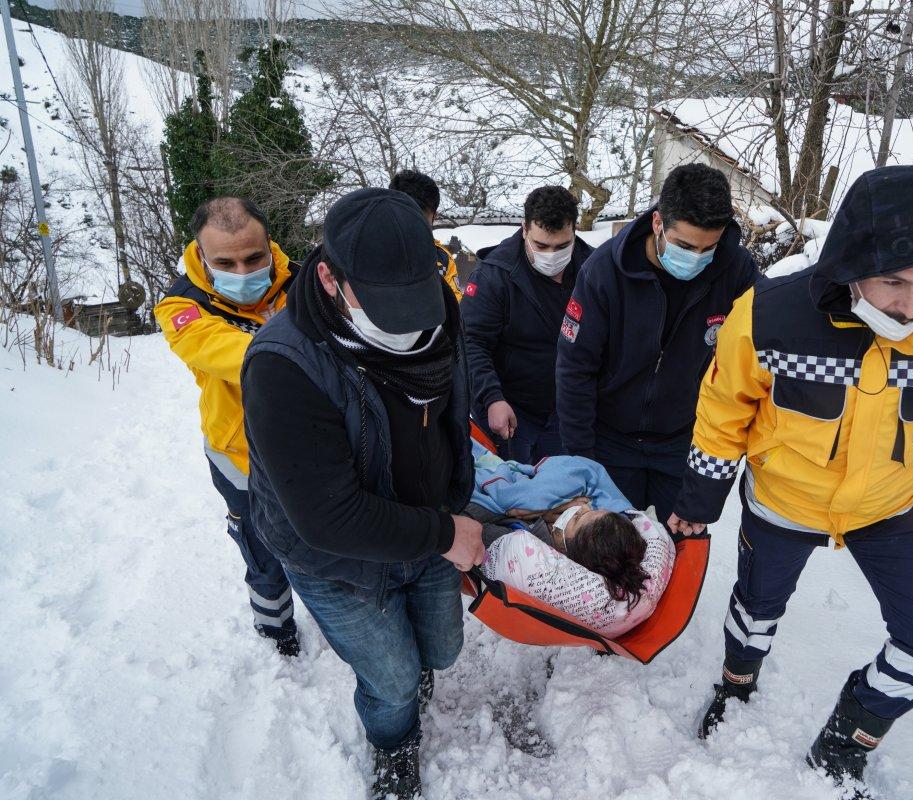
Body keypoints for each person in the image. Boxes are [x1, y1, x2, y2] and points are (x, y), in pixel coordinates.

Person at [668, 166, 913, 796]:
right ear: (850, 264)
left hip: (891, 505)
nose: (912, 306)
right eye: (892, 282)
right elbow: (724, 409)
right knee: (756, 610)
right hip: (785, 499)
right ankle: (736, 683)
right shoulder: (775, 314)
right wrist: (700, 500)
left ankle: (849, 737)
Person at [241, 188, 485, 800]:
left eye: (415, 304)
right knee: (394, 680)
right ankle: (393, 745)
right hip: (337, 560)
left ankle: (408, 677)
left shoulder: (440, 311)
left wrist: (457, 499)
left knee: (444, 650)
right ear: (328, 277)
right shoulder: (282, 366)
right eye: (384, 306)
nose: (408, 325)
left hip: (425, 523)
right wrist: (446, 534)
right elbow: (329, 518)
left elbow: (451, 417)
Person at [556, 163, 759, 522]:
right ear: (657, 223)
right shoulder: (604, 272)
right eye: (684, 245)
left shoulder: (737, 272)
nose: (696, 258)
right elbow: (575, 368)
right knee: (613, 551)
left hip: (684, 441)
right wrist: (581, 462)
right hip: (611, 439)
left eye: (707, 248)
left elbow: (747, 371)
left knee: (681, 546)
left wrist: (707, 484)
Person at [152, 196, 299, 656]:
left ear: (269, 244)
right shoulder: (181, 307)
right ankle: (276, 626)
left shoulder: (304, 281)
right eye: (225, 261)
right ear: (200, 254)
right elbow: (233, 355)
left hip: (310, 445)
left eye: (253, 257)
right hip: (240, 455)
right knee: (261, 546)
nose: (241, 271)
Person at [464, 443, 674, 636]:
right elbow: (589, 472)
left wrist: (525, 506)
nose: (581, 507)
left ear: (567, 548)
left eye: (577, 518)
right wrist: (548, 500)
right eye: (591, 509)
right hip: (510, 471)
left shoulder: (536, 547)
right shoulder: (600, 522)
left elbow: (473, 528)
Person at [462, 186, 594, 462]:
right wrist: (492, 398)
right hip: (509, 408)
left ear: (574, 232)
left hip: (570, 411)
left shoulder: (594, 270)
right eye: (541, 245)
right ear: (524, 229)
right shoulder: (494, 275)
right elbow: (471, 342)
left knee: (565, 494)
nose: (552, 255)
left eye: (562, 246)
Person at [389, 169, 464, 301]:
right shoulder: (370, 249)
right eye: (404, 215)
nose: (411, 225)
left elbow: (456, 307)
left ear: (434, 216)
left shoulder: (442, 259)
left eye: (419, 217)